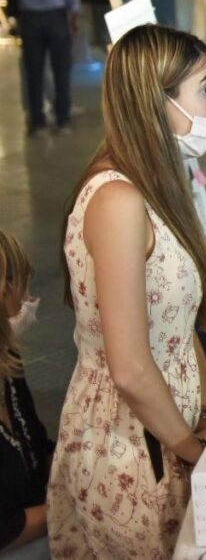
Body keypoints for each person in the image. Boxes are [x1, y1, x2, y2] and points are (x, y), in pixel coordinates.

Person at [48, 24, 206, 557]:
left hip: (170, 431)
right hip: (132, 447)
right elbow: (129, 366)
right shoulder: (118, 201)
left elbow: (178, 326)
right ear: (157, 100)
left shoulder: (157, 183)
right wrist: (190, 447)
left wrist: (203, 417)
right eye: (205, 88)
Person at [0, 0, 80, 135]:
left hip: (29, 16)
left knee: (34, 70)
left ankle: (37, 121)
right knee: (61, 69)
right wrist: (74, 12)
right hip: (55, 15)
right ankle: (63, 119)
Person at [0, 230, 52, 556]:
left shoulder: (9, 362)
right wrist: (71, 502)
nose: (29, 297)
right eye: (24, 284)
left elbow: (36, 444)